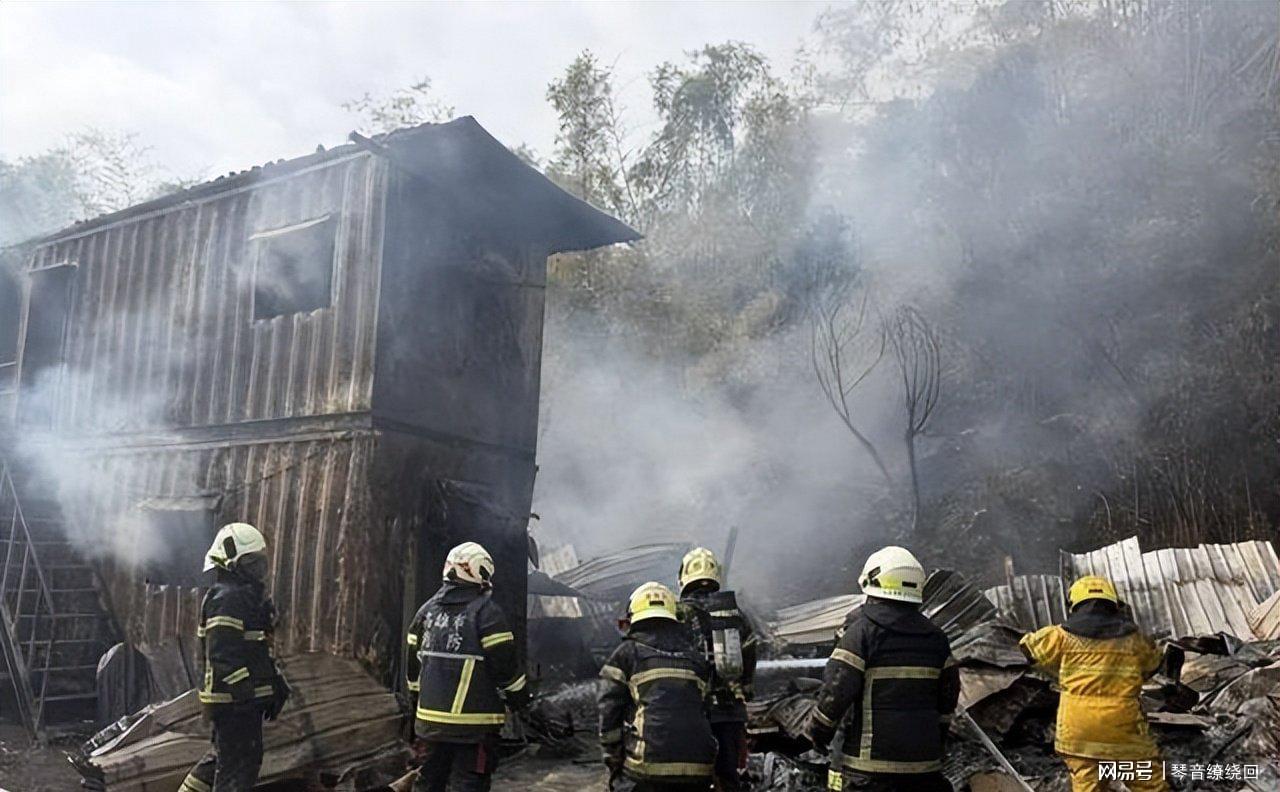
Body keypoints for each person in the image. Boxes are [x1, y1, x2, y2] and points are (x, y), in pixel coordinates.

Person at [807, 546, 958, 792]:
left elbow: (836, 691)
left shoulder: (861, 634)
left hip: (870, 769)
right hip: (924, 769)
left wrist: (818, 732)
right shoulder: (936, 639)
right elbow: (948, 698)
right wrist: (937, 739)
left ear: (872, 584)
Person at [1020, 576, 1169, 792]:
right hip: (1123, 728)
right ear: (1114, 604)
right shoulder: (1135, 639)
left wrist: (1055, 670)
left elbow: (1028, 649)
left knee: (1087, 785)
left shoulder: (1060, 635)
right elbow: (1152, 665)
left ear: (1074, 605)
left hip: (1078, 729)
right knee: (1148, 784)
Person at [404, 541, 529, 792]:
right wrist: (522, 701)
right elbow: (506, 670)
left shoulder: (425, 613)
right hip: (474, 729)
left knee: (428, 784)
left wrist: (417, 705)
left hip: (429, 726)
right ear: (480, 573)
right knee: (468, 785)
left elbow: (413, 673)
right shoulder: (487, 614)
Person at [180, 523, 290, 792]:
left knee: (224, 758)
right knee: (239, 766)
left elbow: (255, 651)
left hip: (235, 699)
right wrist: (245, 694)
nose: (258, 570)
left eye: (259, 563)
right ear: (229, 562)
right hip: (233, 701)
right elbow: (223, 655)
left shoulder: (240, 597)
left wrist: (275, 684)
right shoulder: (227, 598)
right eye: (251, 563)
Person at [598, 581, 718, 792]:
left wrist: (613, 759)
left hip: (647, 769)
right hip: (699, 769)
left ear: (633, 618)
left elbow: (609, 712)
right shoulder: (696, 659)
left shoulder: (627, 654)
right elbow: (706, 710)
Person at [676, 547, 757, 791]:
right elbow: (749, 655)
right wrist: (744, 688)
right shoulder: (735, 614)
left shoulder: (677, 615)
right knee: (728, 776)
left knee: (690, 776)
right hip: (729, 712)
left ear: (683, 577)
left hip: (689, 712)